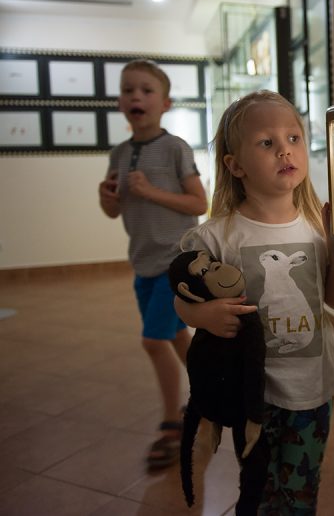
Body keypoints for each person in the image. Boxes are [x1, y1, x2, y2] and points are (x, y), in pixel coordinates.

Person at [175, 90, 334, 514]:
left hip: (313, 385)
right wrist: (202, 314)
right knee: (259, 488)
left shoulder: (316, 227)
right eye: (266, 142)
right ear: (235, 165)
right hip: (253, 391)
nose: (284, 150)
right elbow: (181, 301)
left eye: (293, 138)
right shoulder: (216, 236)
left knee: (301, 491)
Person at [98, 59, 208, 469]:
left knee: (153, 341)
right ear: (120, 103)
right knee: (176, 335)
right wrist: (107, 199)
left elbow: (198, 203)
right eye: (128, 90)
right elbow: (114, 211)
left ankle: (171, 424)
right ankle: (210, 393)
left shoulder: (175, 147)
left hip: (175, 263)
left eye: (146, 90)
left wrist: (151, 192)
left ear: (165, 104)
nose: (136, 96)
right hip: (142, 263)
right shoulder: (119, 154)